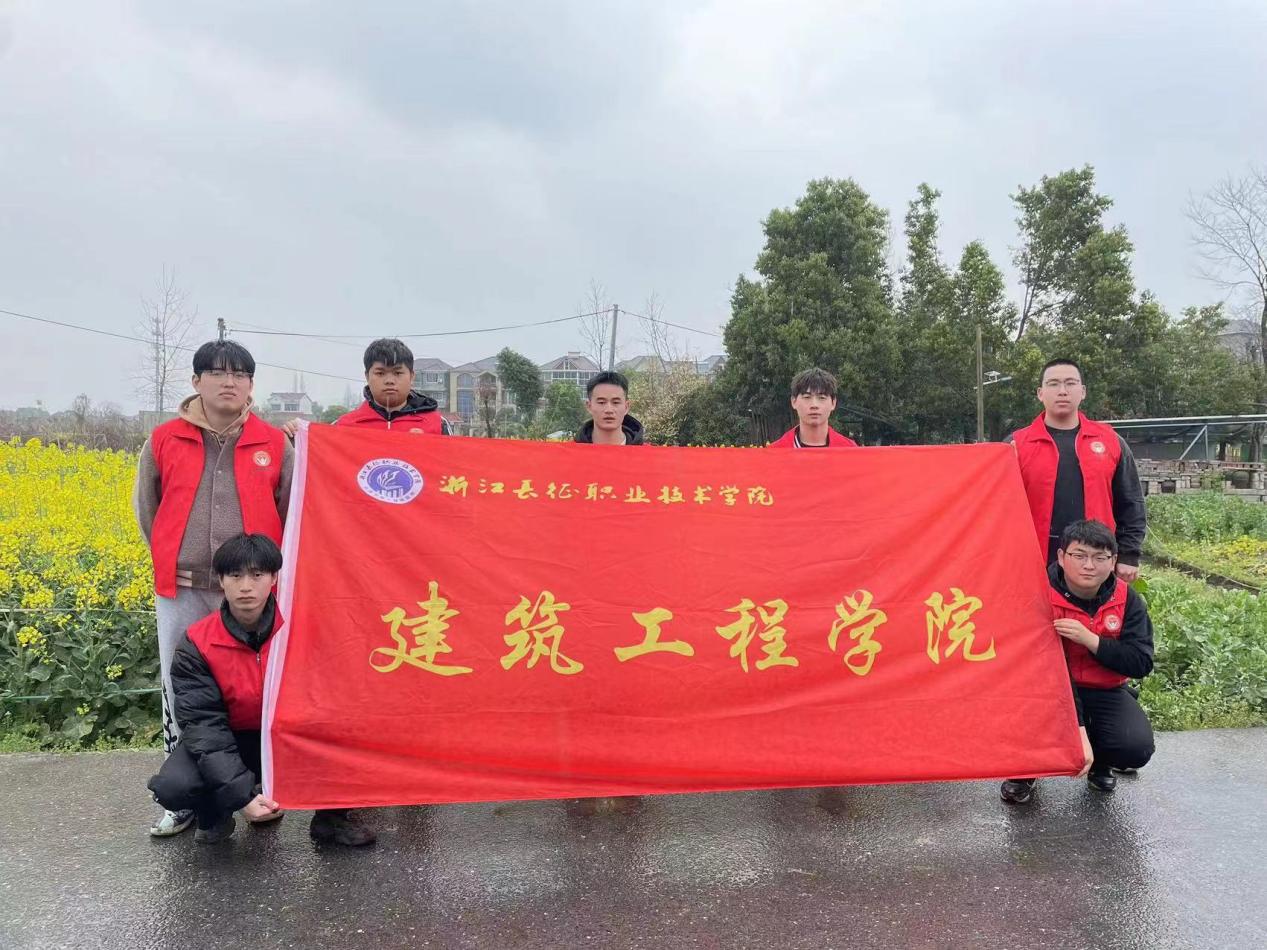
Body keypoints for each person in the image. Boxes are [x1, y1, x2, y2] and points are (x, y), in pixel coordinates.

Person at [133, 340, 293, 837]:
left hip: (252, 590)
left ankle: (259, 785)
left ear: (251, 384)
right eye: (218, 373)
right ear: (196, 381)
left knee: (263, 685)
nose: (230, 382)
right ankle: (185, 798)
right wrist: (174, 556)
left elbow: (292, 510)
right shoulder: (164, 439)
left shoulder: (273, 442)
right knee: (178, 688)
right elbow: (148, 509)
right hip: (183, 590)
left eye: (240, 375)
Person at [147, 534, 376, 846]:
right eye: (235, 576)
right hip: (231, 738)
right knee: (173, 786)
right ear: (220, 581)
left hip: (291, 735)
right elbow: (205, 728)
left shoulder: (304, 629)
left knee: (353, 735)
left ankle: (332, 818)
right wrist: (241, 797)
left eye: (257, 575)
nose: (246, 587)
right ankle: (215, 814)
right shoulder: (197, 643)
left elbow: (336, 699)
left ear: (274, 578)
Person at [1001, 519, 1155, 803]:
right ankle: (1025, 770)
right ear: (1061, 557)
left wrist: (1092, 641)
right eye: (1079, 555)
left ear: (1113, 561)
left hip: (1105, 690)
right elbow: (1032, 665)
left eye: (1100, 558)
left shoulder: (1127, 599)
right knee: (1021, 720)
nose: (1089, 566)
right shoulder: (1037, 595)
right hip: (1044, 690)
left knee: (1135, 747)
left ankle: (1101, 763)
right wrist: (1079, 729)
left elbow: (1141, 663)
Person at [1008, 358, 1145, 580]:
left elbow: (1131, 501)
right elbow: (995, 506)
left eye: (1070, 383)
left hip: (1094, 560)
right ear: (1040, 393)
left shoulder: (1110, 441)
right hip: (1032, 560)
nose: (1062, 391)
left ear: (1083, 392)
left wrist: (1129, 554)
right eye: (1053, 384)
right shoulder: (1016, 444)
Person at [769, 368, 858, 447]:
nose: (814, 405)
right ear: (794, 401)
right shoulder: (774, 453)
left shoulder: (850, 451)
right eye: (807, 397)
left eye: (822, 398)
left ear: (833, 403)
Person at [575, 371, 644, 445]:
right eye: (601, 402)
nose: (609, 410)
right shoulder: (569, 451)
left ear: (626, 407)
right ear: (589, 406)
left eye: (616, 402)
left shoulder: (647, 452)